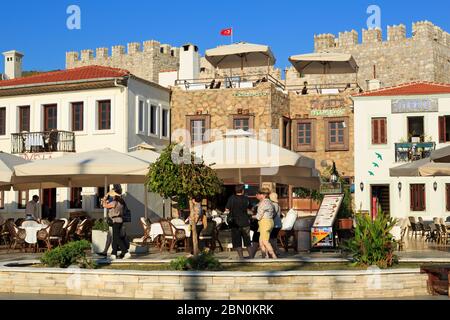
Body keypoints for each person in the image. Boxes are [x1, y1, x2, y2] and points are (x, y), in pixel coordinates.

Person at [225, 184, 252, 259]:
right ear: (242, 191)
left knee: (237, 242)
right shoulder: (246, 198)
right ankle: (251, 256)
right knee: (247, 241)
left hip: (235, 223)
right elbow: (250, 209)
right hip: (245, 222)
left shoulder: (231, 198)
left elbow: (227, 209)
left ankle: (241, 257)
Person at [102, 195, 130, 260]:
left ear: (115, 197)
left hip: (116, 221)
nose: (112, 197)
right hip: (120, 220)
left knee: (117, 238)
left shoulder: (114, 202)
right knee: (115, 238)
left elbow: (104, 206)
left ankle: (126, 252)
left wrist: (104, 199)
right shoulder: (121, 203)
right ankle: (113, 254)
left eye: (113, 196)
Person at [255, 188, 277, 259]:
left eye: (259, 194)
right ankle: (264, 256)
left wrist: (250, 216)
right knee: (261, 241)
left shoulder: (262, 203)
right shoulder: (271, 202)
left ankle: (274, 256)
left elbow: (258, 217)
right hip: (270, 221)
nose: (258, 195)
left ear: (263, 195)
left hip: (264, 222)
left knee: (265, 241)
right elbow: (274, 213)